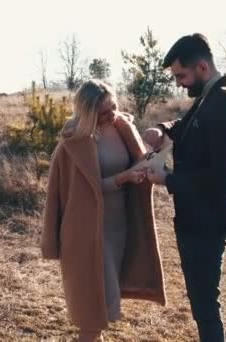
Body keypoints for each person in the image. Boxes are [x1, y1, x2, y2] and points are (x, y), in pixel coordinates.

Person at [41, 79, 166, 341]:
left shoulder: (122, 128)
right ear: (87, 113)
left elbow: (136, 160)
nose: (112, 115)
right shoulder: (73, 144)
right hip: (88, 232)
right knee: (91, 313)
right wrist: (124, 177)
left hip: (120, 226)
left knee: (103, 303)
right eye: (104, 112)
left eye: (114, 107)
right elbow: (84, 191)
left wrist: (151, 158)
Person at [144, 33, 226, 342]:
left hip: (207, 222)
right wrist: (162, 128)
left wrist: (167, 179)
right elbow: (188, 124)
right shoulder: (210, 95)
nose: (179, 83)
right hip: (195, 219)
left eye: (181, 75)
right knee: (201, 305)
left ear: (202, 67)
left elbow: (219, 177)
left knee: (206, 308)